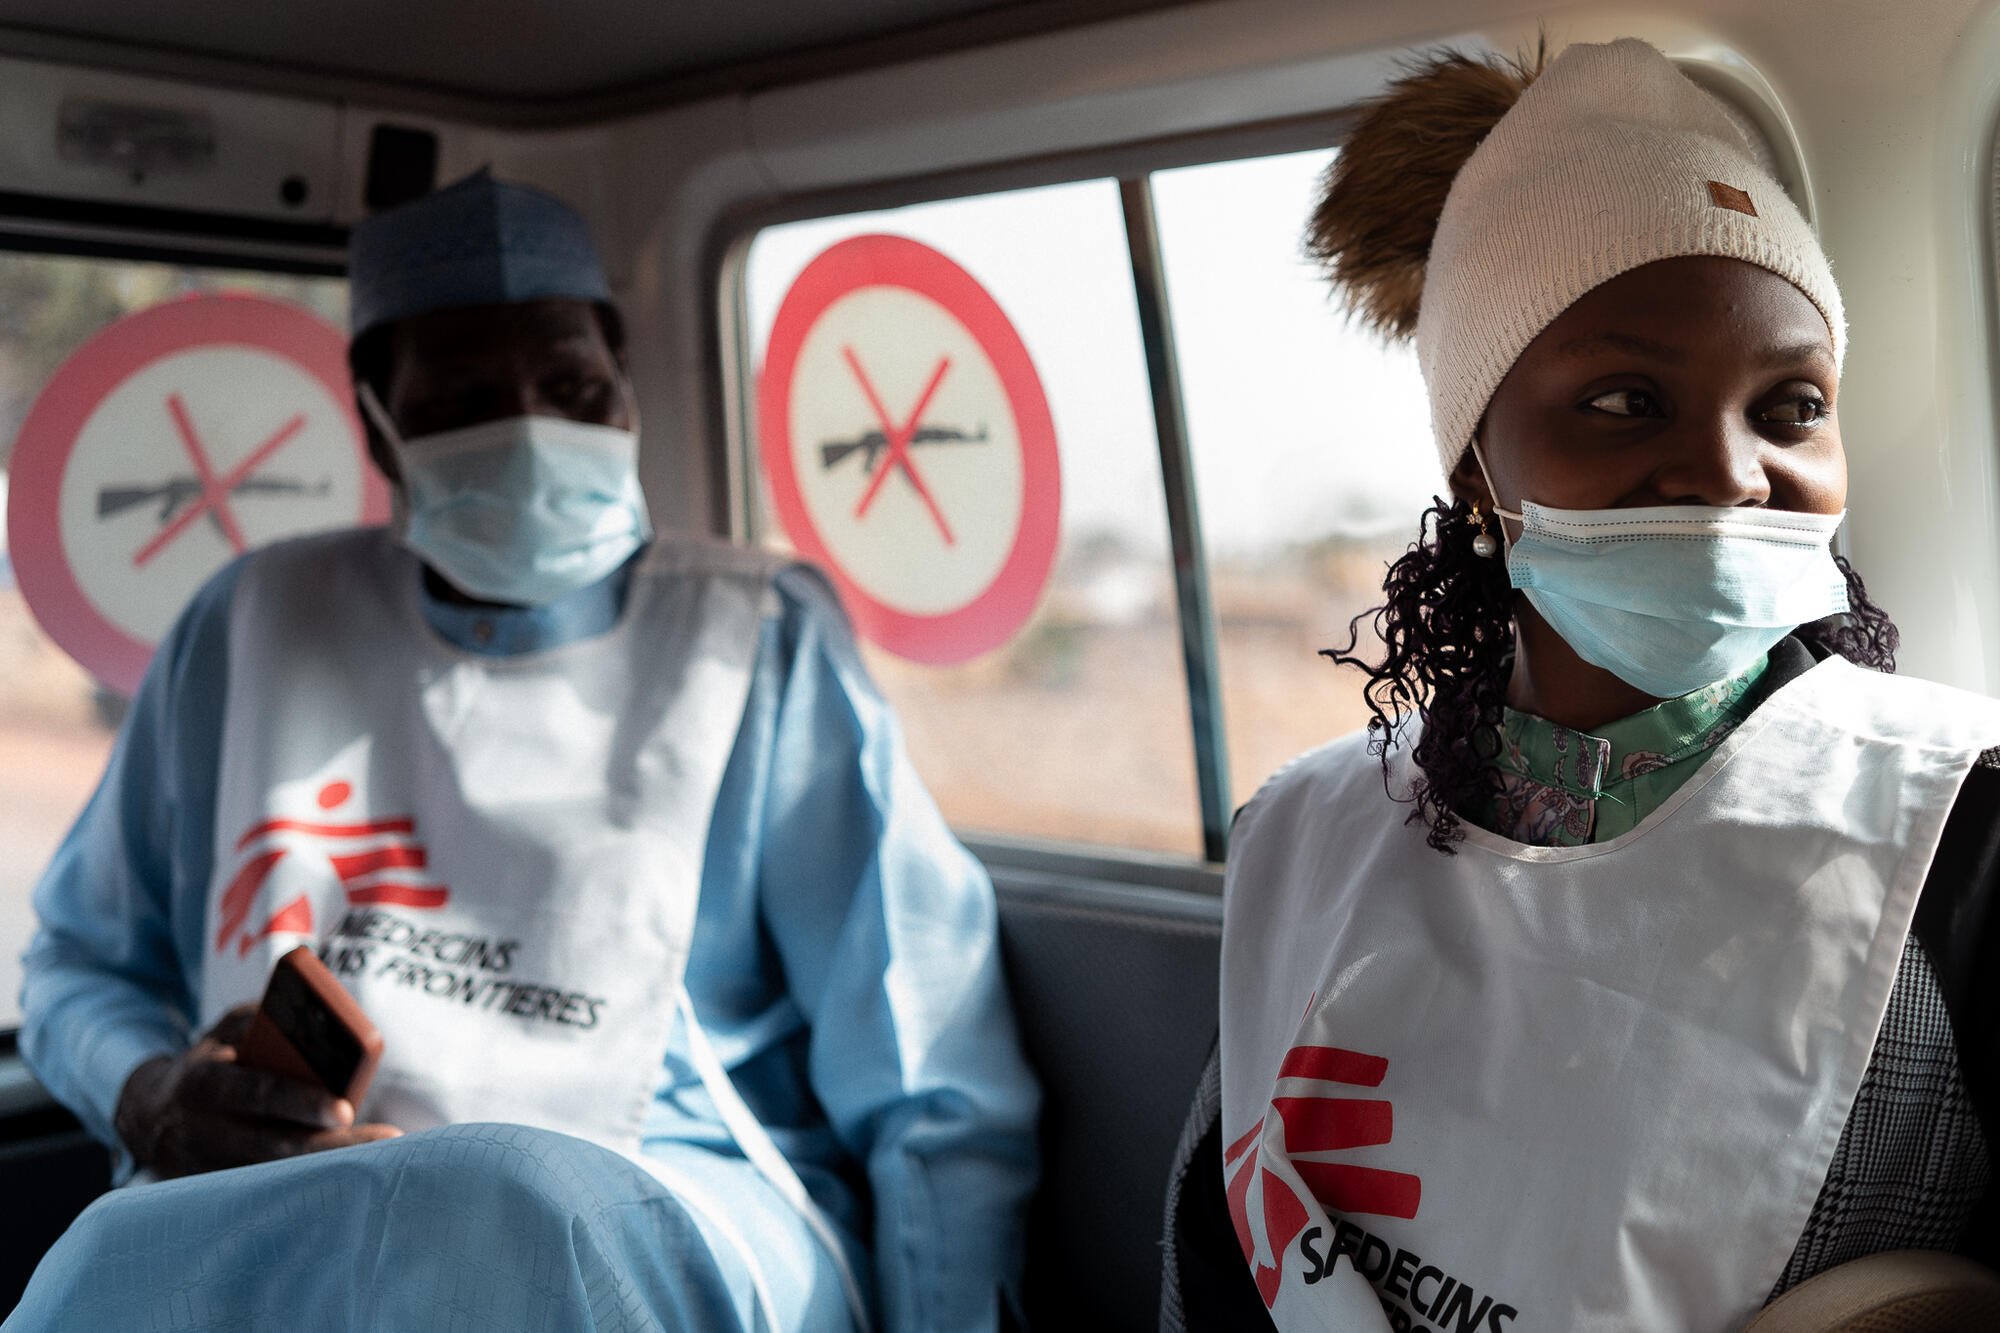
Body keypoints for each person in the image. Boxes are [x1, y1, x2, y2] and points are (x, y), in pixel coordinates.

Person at [11, 171, 1038, 1332]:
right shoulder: (251, 626)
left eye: (569, 387)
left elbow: (932, 1082)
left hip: (667, 1195)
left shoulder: (754, 642)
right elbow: (78, 968)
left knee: (503, 1209)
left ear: (626, 392)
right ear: (378, 424)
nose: (533, 434)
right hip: (291, 1196)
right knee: (106, 1264)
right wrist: (150, 1096)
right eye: (463, 401)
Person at [1158, 38, 2000, 1333]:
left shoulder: (1965, 828)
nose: (1727, 471)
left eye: (1790, 407)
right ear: (1479, 471)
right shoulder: (1306, 840)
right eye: (1625, 399)